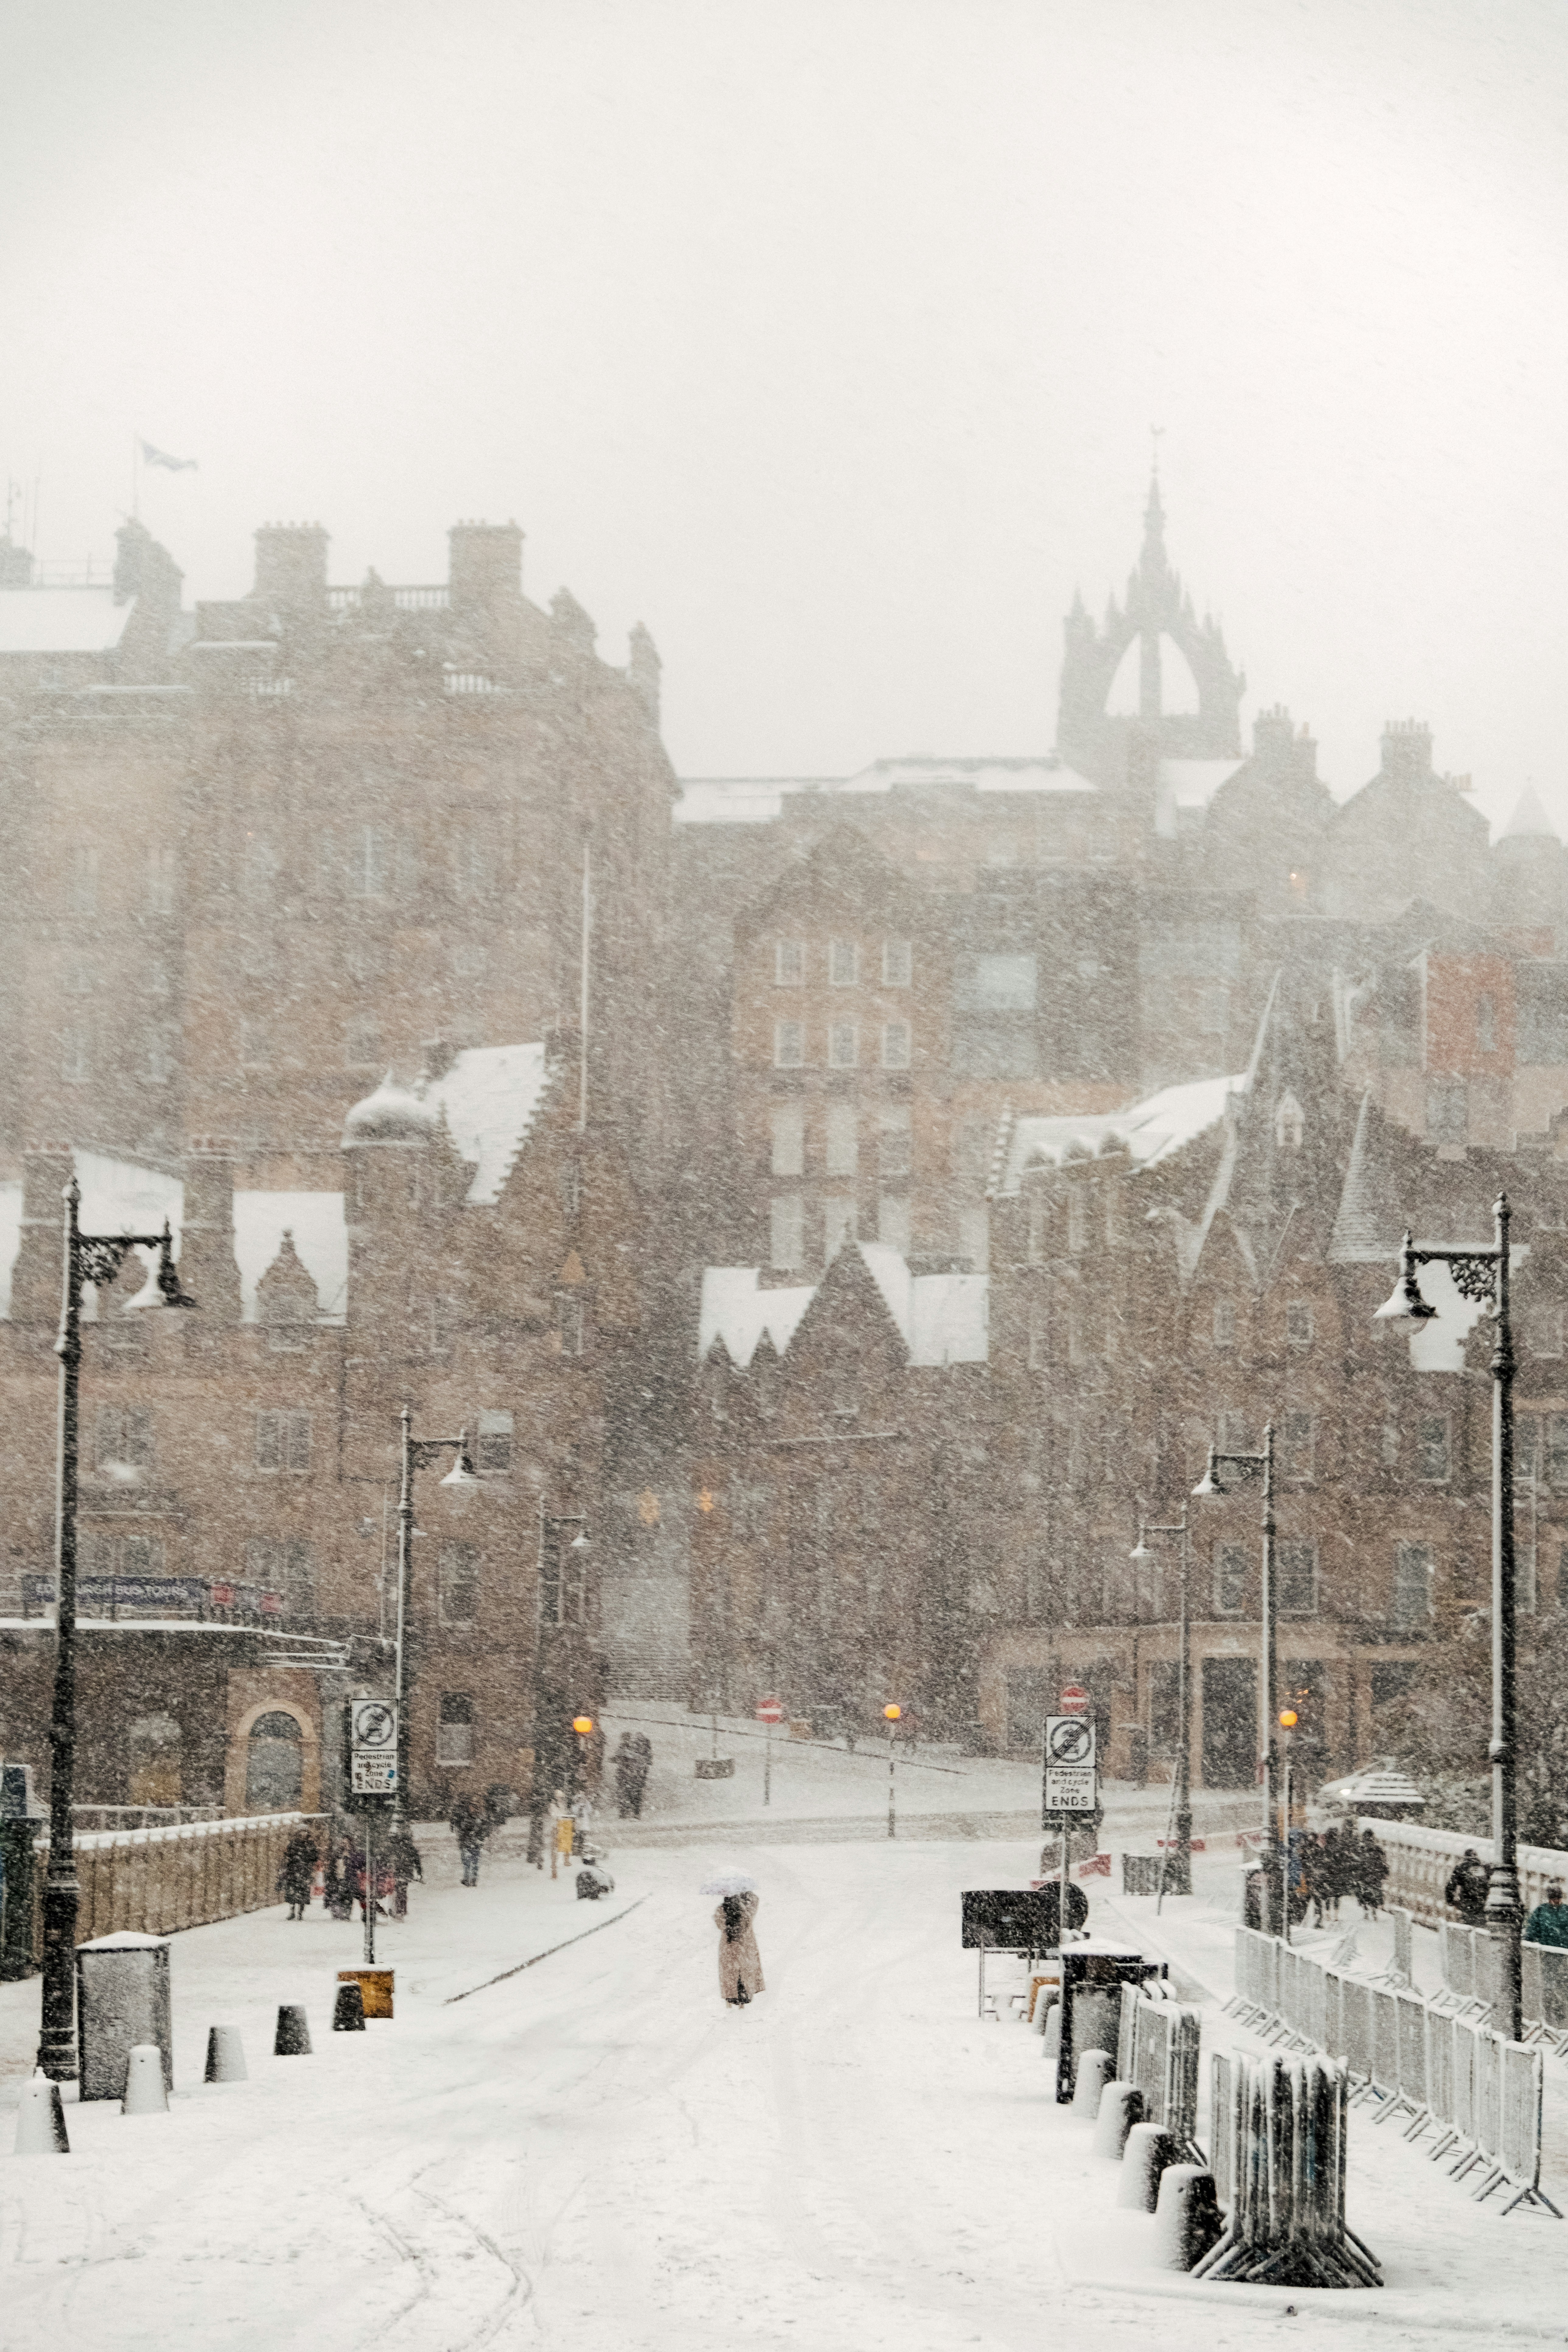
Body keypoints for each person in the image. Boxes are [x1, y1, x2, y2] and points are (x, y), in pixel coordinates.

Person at [715, 1888, 765, 2005]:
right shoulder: (746, 1911)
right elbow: (755, 1901)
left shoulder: (722, 1911)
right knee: (745, 1970)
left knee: (731, 1972)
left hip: (729, 1947)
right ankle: (745, 1994)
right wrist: (745, 1891)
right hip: (745, 1945)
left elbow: (720, 1924)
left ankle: (732, 1996)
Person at [276, 1825, 318, 1921]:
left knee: (303, 1893)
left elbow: (315, 1858)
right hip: (294, 1872)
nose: (303, 1834)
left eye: (305, 1832)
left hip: (305, 1872)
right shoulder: (294, 1844)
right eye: (302, 1832)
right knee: (292, 1893)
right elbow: (288, 1856)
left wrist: (308, 1857)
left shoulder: (311, 1845)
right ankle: (293, 1912)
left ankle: (300, 1913)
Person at [1445, 1846, 1490, 1927]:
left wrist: (1450, 1901)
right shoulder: (1484, 1868)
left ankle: (1468, 1930)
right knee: (1479, 1920)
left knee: (1468, 1921)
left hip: (1468, 1900)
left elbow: (1451, 1886)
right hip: (1482, 1900)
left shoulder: (1462, 1868)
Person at [450, 1793, 486, 1888]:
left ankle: (469, 1880)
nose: (471, 1808)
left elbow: (464, 1829)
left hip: (469, 1843)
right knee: (472, 1862)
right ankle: (471, 1879)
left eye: (473, 1806)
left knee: (469, 1862)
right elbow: (483, 1831)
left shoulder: (469, 1818)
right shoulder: (479, 1818)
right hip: (473, 1843)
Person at [613, 1732, 650, 1819]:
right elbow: (622, 1761)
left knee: (629, 1794)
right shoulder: (627, 1749)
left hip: (630, 1778)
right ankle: (630, 1813)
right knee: (630, 1794)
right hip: (629, 1777)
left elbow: (622, 1761)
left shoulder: (630, 1749)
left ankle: (628, 1813)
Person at [389, 1828, 423, 1919]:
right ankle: (402, 1910)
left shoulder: (398, 1848)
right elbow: (417, 1862)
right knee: (402, 1891)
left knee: (398, 1892)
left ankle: (399, 1911)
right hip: (406, 1874)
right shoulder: (412, 1849)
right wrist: (420, 1873)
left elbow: (393, 1860)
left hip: (399, 1873)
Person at [1355, 1827, 1389, 1919]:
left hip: (1367, 1874)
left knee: (1364, 1892)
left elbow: (1359, 1862)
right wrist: (1384, 1872)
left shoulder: (1362, 1849)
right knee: (1375, 1891)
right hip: (1375, 1874)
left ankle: (1367, 1909)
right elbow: (1384, 1862)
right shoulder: (1378, 1849)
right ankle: (1374, 1909)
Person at [1524, 1880, 1568, 1948]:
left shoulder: (1566, 1911)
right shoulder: (1541, 1910)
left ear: (1561, 1898)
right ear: (1549, 1899)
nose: (1555, 1902)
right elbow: (1533, 1929)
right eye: (1553, 1899)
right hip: (1546, 1949)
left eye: (1558, 1899)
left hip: (1563, 1950)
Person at [550, 1788, 575, 1881]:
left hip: (564, 1828)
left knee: (567, 1846)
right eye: (559, 1798)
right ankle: (554, 1870)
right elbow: (554, 1816)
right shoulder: (553, 1805)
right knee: (555, 1849)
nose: (560, 1799)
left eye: (561, 1798)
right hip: (556, 1828)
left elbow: (565, 1815)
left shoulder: (563, 1805)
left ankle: (566, 1860)